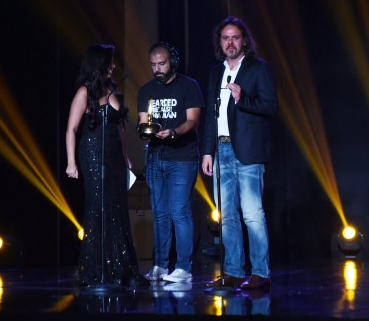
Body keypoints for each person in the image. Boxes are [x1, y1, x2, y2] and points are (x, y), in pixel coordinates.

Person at [201, 16, 278, 291]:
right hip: (221, 149)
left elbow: (270, 106)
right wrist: (207, 152)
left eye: (235, 37)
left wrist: (242, 99)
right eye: (225, 38)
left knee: (252, 214)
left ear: (244, 40)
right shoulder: (216, 72)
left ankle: (260, 272)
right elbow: (211, 116)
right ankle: (233, 271)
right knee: (227, 216)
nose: (230, 42)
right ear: (220, 43)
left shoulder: (258, 68)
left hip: (248, 150)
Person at [65, 44, 141, 288]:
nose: (113, 66)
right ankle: (97, 269)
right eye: (109, 62)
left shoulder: (113, 90)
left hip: (115, 156)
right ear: (99, 64)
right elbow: (71, 129)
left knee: (117, 208)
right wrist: (71, 162)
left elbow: (120, 129)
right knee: (99, 208)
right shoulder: (85, 92)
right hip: (93, 154)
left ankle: (120, 266)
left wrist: (126, 157)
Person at [137, 42, 205, 283]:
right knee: (160, 214)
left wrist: (174, 132)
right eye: (153, 65)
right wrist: (146, 131)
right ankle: (160, 265)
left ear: (173, 62)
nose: (157, 69)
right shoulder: (146, 90)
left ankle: (184, 268)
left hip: (182, 158)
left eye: (162, 63)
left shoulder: (189, 86)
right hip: (156, 158)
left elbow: (193, 121)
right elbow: (143, 122)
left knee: (179, 212)